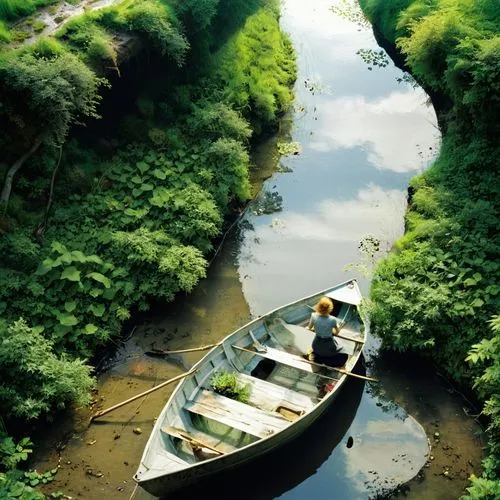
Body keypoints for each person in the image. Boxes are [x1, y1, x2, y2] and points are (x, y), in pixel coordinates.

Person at [306, 296, 348, 367]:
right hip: (329, 346)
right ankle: (328, 362)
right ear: (330, 308)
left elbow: (309, 328)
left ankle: (318, 358)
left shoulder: (313, 316)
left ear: (318, 306)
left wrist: (317, 328)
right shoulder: (332, 320)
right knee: (344, 353)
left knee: (320, 351)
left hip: (316, 345)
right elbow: (336, 332)